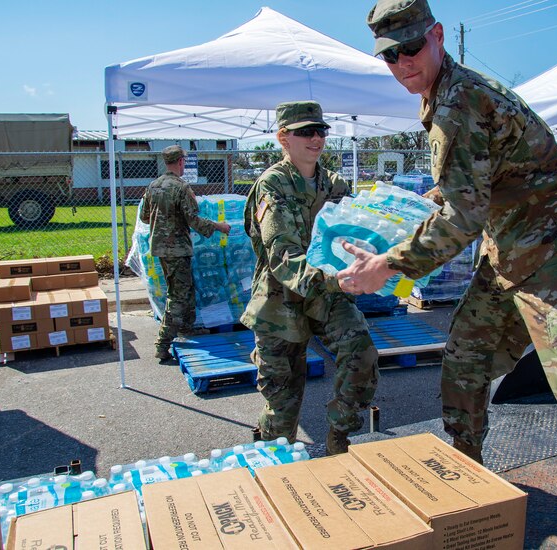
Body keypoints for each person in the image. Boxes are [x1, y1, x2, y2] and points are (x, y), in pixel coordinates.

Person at [337, 1, 557, 547]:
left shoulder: (457, 104)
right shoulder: (444, 94)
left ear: (437, 36)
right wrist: (424, 202)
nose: (401, 63)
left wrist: (390, 267)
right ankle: (469, 483)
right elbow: (479, 181)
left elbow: (464, 215)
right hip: (508, 249)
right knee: (464, 363)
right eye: (389, 55)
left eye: (410, 48)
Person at [241, 101, 379, 454]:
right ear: (283, 138)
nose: (316, 138)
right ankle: (275, 462)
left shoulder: (334, 185)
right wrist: (338, 280)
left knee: (361, 354)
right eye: (305, 132)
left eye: (320, 131)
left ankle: (339, 439)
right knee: (283, 398)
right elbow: (282, 258)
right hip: (279, 299)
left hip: (327, 294)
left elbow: (357, 233)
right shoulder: (272, 185)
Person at [139, 145, 230, 361]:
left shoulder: (153, 186)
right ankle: (162, 344)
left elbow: (144, 216)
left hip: (161, 248)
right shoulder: (181, 187)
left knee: (186, 288)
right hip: (177, 249)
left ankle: (187, 328)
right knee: (178, 296)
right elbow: (194, 220)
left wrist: (164, 219)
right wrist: (219, 226)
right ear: (181, 161)